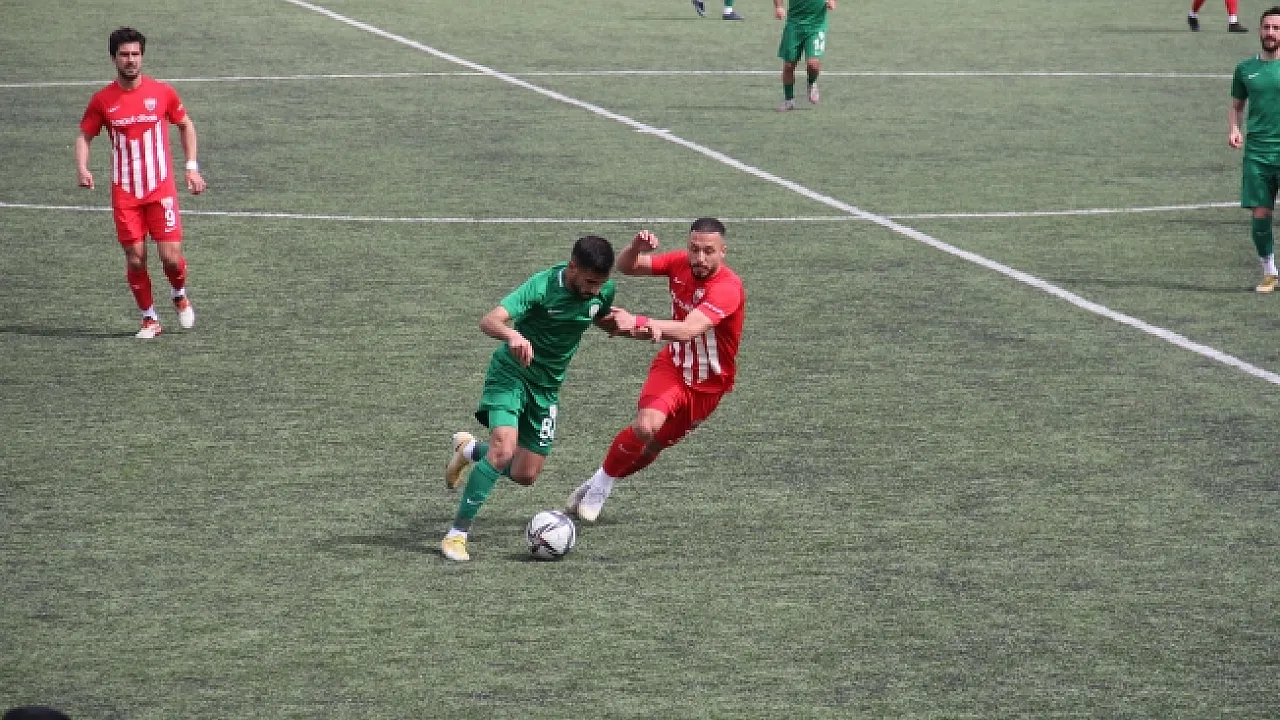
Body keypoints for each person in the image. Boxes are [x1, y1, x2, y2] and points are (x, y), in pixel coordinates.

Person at [440, 236, 644, 561]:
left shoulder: (602, 291)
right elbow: (489, 320)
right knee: (503, 448)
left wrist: (629, 325)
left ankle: (469, 450)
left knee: (526, 474)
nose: (595, 290)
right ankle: (457, 534)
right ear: (573, 268)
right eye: (590, 282)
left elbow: (597, 315)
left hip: (546, 389)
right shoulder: (542, 286)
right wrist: (512, 335)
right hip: (512, 374)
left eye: (600, 284)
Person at [565, 218, 746, 524]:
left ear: (722, 252)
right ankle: (601, 490)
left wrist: (638, 322)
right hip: (673, 367)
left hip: (708, 386)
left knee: (650, 448)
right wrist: (635, 248)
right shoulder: (679, 263)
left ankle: (596, 482)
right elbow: (627, 266)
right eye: (694, 249)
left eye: (708, 251)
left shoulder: (728, 288)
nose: (700, 258)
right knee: (646, 427)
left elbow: (689, 330)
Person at [76, 27, 207, 339]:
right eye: (124, 55)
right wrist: (82, 167)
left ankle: (179, 294)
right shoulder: (103, 100)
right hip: (125, 192)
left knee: (171, 258)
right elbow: (84, 135)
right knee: (135, 259)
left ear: (142, 56)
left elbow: (185, 125)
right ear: (113, 58)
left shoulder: (162, 92)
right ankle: (150, 319)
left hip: (161, 189)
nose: (131, 60)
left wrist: (191, 168)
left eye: (135, 54)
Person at [1229, 6, 1280, 293]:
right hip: (1257, 154)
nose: (1271, 33)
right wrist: (1234, 129)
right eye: (1267, 27)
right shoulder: (1245, 69)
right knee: (1260, 215)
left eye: (1276, 28)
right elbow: (1237, 106)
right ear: (1260, 30)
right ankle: (1269, 272)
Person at [775, 0, 836, 111]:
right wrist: (779, 7)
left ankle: (811, 83)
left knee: (813, 65)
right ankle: (789, 100)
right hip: (794, 26)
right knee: (788, 65)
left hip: (816, 26)